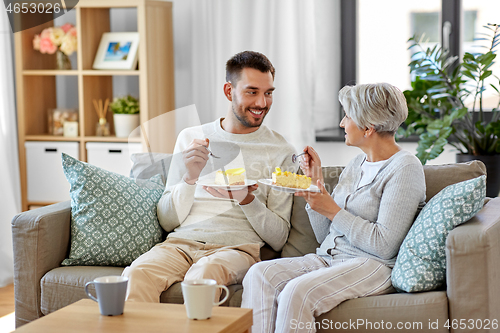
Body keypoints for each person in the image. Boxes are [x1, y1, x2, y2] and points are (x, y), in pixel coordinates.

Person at [241, 83, 426, 333]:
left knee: (297, 293)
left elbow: (385, 246)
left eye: (347, 116)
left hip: (372, 265)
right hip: (329, 259)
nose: (342, 123)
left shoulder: (404, 167)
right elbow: (325, 236)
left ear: (368, 127)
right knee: (259, 274)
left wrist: (333, 210)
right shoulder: (356, 163)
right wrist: (316, 186)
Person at [122, 51, 297, 302]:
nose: (262, 103)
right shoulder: (191, 139)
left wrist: (246, 199)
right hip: (179, 244)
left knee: (202, 278)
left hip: (235, 250)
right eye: (252, 92)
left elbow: (279, 238)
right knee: (136, 274)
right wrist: (189, 178)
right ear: (229, 91)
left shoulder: (281, 152)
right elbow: (167, 220)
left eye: (268, 93)